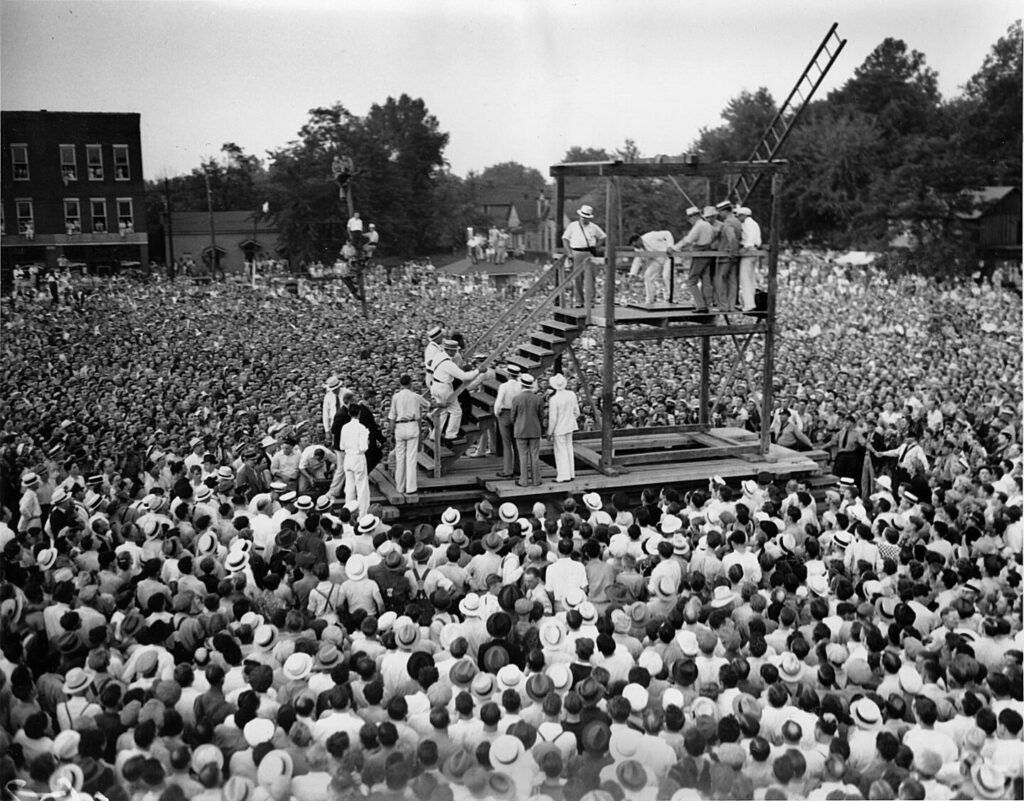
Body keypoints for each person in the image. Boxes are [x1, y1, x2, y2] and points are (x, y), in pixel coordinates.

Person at [429, 339, 480, 448]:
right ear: (450, 351)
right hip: (444, 388)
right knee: (456, 411)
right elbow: (465, 377)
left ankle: (435, 435)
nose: (455, 353)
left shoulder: (439, 356)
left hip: (435, 386)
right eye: (454, 351)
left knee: (443, 412)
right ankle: (450, 435)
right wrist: (478, 371)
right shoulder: (447, 363)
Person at [388, 374, 429, 495]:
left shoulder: (396, 397)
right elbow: (429, 405)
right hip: (411, 425)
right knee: (411, 459)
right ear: (410, 383)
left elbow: (391, 416)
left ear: (401, 384)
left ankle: (400, 487)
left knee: (400, 459)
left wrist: (391, 433)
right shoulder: (415, 396)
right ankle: (411, 488)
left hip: (399, 426)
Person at [562, 204, 606, 311]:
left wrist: (596, 246)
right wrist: (569, 253)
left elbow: (603, 237)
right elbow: (565, 239)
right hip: (576, 252)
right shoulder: (573, 226)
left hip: (589, 252)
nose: (584, 219)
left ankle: (590, 300)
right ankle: (579, 300)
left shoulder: (593, 227)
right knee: (577, 278)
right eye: (583, 217)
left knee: (590, 278)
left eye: (586, 217)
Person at [673, 206, 716, 313]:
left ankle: (701, 305)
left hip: (700, 253)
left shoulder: (699, 226)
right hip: (708, 252)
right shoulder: (708, 225)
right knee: (706, 279)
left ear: (693, 216)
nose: (689, 220)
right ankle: (708, 303)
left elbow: (688, 239)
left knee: (691, 281)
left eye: (689, 218)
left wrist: (675, 247)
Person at [511, 373, 544, 487]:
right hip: (534, 429)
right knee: (535, 455)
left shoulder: (516, 398)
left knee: (523, 456)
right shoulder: (538, 399)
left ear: (522, 385)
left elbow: (512, 416)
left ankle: (523, 481)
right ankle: (536, 480)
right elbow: (541, 416)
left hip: (520, 430)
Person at [547, 374, 580, 483]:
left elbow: (553, 419)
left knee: (561, 452)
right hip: (570, 426)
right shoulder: (571, 394)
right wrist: (570, 419)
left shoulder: (554, 399)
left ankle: (563, 475)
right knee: (569, 448)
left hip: (559, 428)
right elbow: (577, 412)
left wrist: (549, 432)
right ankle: (571, 473)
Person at [339, 402, 370, 517]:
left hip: (348, 458)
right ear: (359, 413)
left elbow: (341, 446)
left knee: (350, 487)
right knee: (362, 488)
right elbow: (363, 447)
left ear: (349, 413)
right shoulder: (361, 428)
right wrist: (367, 441)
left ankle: (348, 514)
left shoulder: (345, 427)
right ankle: (362, 515)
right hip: (357, 457)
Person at [628, 230, 675, 304]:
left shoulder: (650, 236)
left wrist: (670, 246)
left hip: (667, 257)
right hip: (656, 259)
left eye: (635, 245)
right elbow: (637, 260)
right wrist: (632, 274)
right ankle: (650, 299)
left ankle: (672, 298)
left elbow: (667, 233)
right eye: (634, 246)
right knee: (648, 275)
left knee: (666, 276)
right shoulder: (638, 248)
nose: (636, 247)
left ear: (639, 239)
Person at [494, 364, 524, 478]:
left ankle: (508, 470)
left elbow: (498, 402)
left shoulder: (504, 386)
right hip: (518, 414)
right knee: (517, 443)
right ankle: (519, 468)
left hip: (505, 413)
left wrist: (497, 413)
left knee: (507, 444)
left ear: (508, 374)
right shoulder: (521, 386)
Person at [714, 200, 742, 311]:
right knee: (732, 281)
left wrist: (732, 251)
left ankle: (723, 306)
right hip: (734, 256)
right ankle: (731, 305)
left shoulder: (728, 223)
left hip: (726, 255)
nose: (720, 215)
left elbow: (732, 238)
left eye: (720, 212)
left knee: (720, 280)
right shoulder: (737, 221)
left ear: (725, 211)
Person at [737, 206, 762, 312]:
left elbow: (750, 239)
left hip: (749, 250)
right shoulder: (754, 223)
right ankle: (752, 303)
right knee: (751, 278)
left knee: (745, 278)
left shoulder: (748, 223)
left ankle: (749, 305)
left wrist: (745, 247)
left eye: (739, 216)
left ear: (744, 215)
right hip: (755, 250)